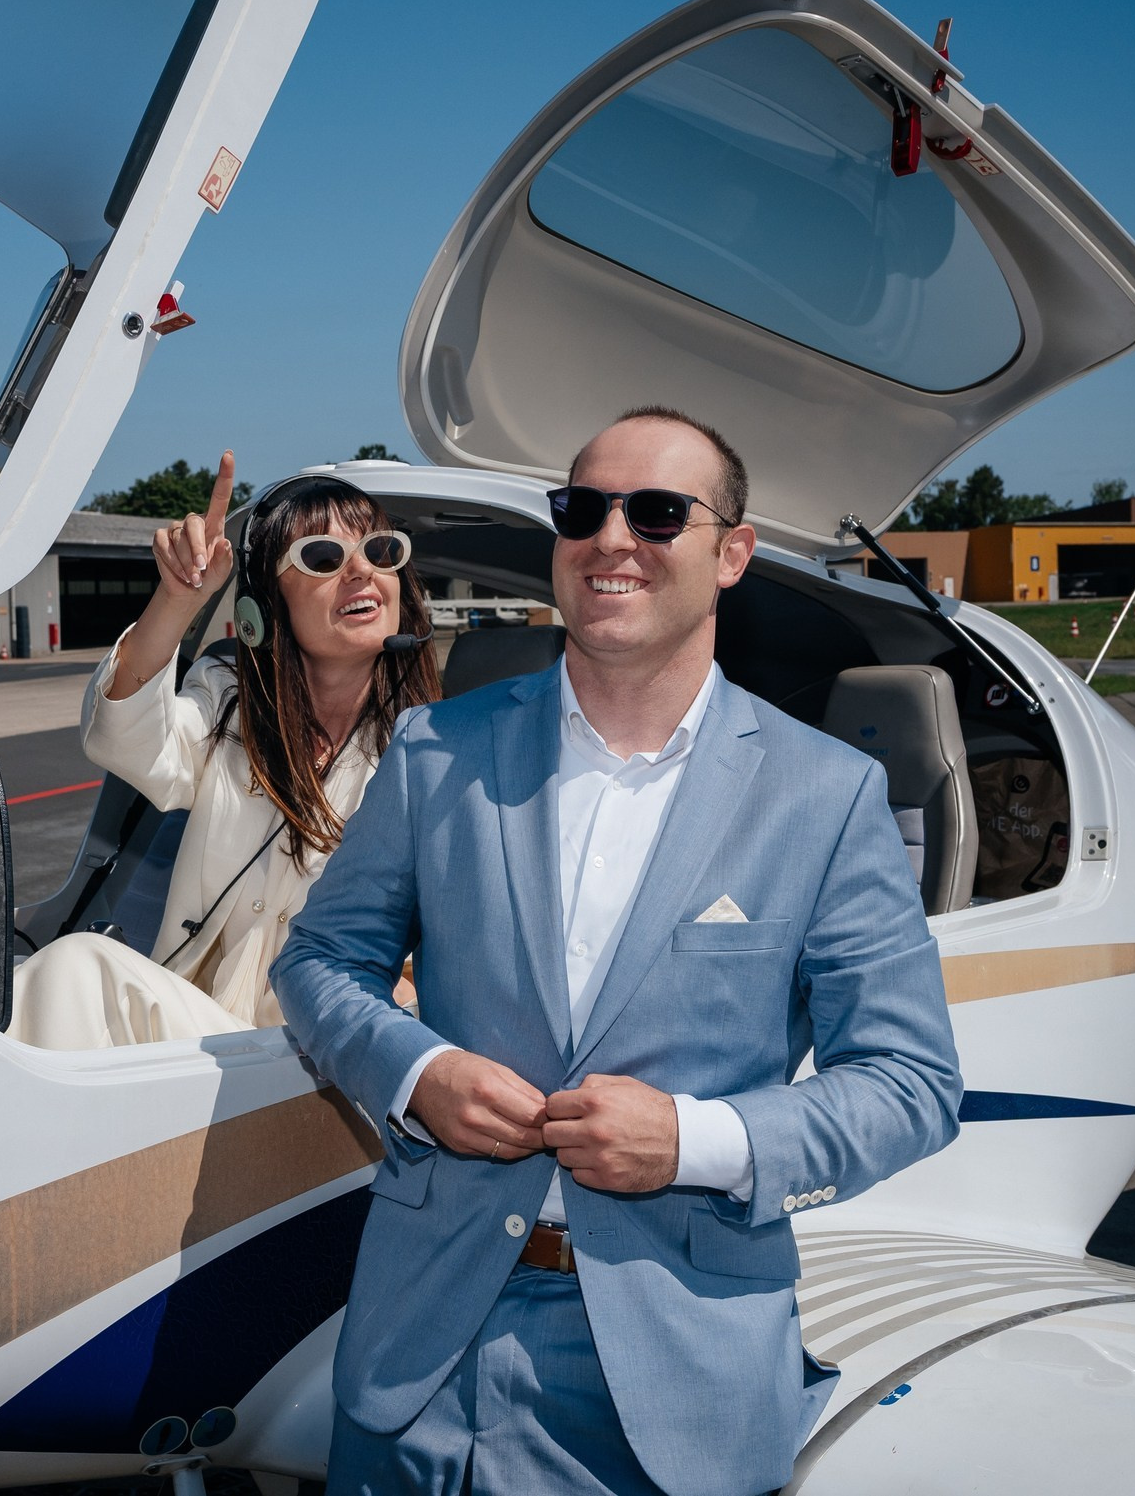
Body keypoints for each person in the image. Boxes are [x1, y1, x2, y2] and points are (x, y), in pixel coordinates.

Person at [271, 407, 963, 1496]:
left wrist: (693, 1139)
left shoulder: (825, 797)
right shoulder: (436, 749)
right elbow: (317, 963)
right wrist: (417, 1071)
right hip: (417, 1349)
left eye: (656, 512)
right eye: (583, 508)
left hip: (667, 1379)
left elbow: (912, 1086)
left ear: (732, 552)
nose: (611, 537)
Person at [8, 454, 440, 1050]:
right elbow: (123, 736)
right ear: (265, 608)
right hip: (204, 1029)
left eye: (381, 551)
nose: (362, 571)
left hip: (319, 1053)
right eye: (323, 557)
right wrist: (177, 600)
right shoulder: (230, 704)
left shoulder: (434, 752)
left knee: (78, 970)